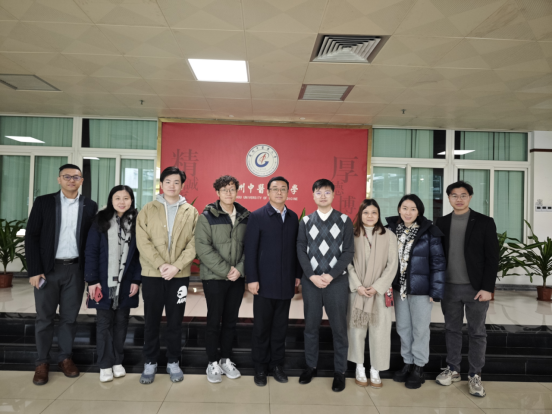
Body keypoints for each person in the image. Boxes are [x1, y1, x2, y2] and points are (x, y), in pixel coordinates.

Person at [25, 164, 98, 385]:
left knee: (69, 318)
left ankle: (65, 358)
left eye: (76, 177)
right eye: (67, 176)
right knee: (44, 318)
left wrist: (90, 273)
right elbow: (32, 236)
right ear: (59, 179)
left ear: (82, 181)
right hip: (48, 271)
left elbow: (92, 241)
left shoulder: (89, 205)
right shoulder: (44, 202)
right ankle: (42, 362)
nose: (71, 180)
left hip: (75, 270)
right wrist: (35, 270)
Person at [434, 181, 499, 398]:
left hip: (476, 289)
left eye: (463, 195)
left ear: (470, 197)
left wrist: (487, 288)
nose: (459, 199)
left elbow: (492, 258)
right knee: (451, 329)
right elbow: (436, 256)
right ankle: (453, 369)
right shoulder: (441, 222)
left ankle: (475, 374)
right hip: (449, 288)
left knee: (477, 332)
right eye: (454, 195)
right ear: (449, 198)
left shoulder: (484, 222)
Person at [136, 166, 198, 384]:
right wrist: (161, 264)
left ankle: (173, 361)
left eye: (176, 182)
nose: (172, 186)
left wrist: (176, 267)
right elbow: (142, 240)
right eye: (168, 182)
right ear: (161, 184)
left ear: (182, 185)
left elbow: (195, 243)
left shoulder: (191, 212)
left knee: (175, 321)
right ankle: (150, 361)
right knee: (151, 320)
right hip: (152, 274)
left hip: (178, 276)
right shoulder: (148, 209)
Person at [297, 178, 354, 393]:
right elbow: (300, 249)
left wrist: (330, 275)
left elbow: (348, 252)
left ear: (333, 195)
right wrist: (311, 276)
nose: (323, 196)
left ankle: (340, 371)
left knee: (339, 328)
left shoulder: (344, 220)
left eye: (327, 192)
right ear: (313, 195)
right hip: (311, 283)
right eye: (319, 192)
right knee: (311, 327)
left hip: (336, 282)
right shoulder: (305, 221)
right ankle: (310, 366)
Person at [244, 176, 301, 387]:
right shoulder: (257, 216)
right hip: (263, 284)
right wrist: (252, 278)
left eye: (283, 189)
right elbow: (250, 250)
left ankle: (277, 365)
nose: (279, 192)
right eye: (275, 189)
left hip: (286, 283)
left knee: (280, 328)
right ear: (267, 192)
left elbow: (297, 249)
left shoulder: (293, 217)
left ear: (288, 192)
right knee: (261, 328)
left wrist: (297, 274)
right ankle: (260, 368)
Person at [386, 194, 446, 389]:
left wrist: (436, 290)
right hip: (399, 289)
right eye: (404, 208)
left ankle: (419, 366)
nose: (408, 212)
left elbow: (438, 262)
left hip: (421, 290)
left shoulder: (429, 232)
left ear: (419, 211)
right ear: (399, 210)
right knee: (403, 327)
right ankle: (407, 362)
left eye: (413, 209)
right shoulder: (391, 230)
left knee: (420, 329)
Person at [195, 175, 249, 384]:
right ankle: (212, 362)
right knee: (214, 320)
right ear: (217, 193)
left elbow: (250, 246)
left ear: (237, 191)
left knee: (230, 320)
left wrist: (240, 269)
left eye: (232, 189)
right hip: (214, 278)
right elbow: (203, 248)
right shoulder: (207, 216)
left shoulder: (245, 216)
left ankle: (226, 359)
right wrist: (227, 270)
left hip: (236, 278)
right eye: (224, 189)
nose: (228, 193)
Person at [85, 185, 142, 383]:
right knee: (104, 324)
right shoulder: (100, 220)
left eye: (126, 198)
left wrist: (136, 279)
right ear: (111, 200)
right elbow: (91, 251)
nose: (122, 202)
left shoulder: (137, 222)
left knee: (121, 323)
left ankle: (118, 361)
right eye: (117, 198)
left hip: (127, 282)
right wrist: (92, 280)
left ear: (131, 200)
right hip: (102, 281)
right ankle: (104, 364)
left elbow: (139, 255)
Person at [346, 199, 398, 389]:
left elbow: (392, 265)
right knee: (356, 331)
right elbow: (347, 263)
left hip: (380, 292)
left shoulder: (389, 236)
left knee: (380, 331)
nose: (370, 216)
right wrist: (357, 286)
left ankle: (376, 369)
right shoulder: (352, 234)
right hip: (358, 291)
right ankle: (359, 367)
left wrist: (377, 287)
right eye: (366, 212)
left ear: (379, 214)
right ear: (360, 214)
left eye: (374, 212)